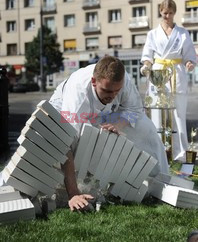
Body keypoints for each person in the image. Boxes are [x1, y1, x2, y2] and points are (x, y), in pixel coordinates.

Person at [49, 56, 169, 211]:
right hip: (67, 112)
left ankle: (162, 181)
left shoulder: (124, 81)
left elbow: (135, 110)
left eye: (116, 91)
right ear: (94, 81)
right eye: (107, 90)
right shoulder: (77, 95)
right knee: (78, 145)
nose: (112, 96)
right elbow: (66, 144)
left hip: (105, 114)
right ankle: (78, 185)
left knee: (146, 127)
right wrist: (73, 194)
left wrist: (117, 125)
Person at [141, 0, 197, 162]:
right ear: (160, 12)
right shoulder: (152, 34)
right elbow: (147, 55)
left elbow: (189, 54)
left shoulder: (182, 33)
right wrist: (146, 65)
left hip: (176, 74)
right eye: (165, 13)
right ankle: (159, 153)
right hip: (158, 74)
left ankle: (181, 154)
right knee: (157, 114)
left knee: (179, 114)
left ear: (174, 13)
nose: (167, 16)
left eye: (170, 13)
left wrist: (189, 62)